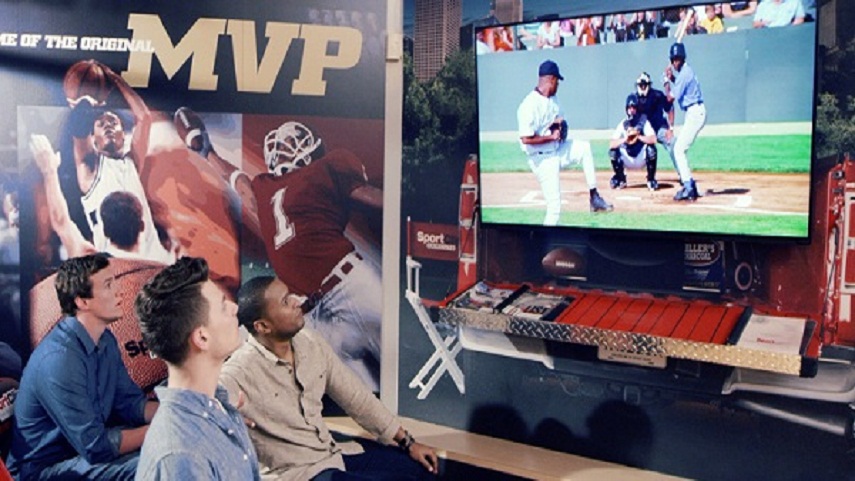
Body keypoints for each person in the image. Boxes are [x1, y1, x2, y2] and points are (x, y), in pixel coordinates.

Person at [220, 275, 439, 480]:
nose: (296, 302)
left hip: (331, 456)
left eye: (291, 295)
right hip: (297, 474)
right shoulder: (238, 371)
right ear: (262, 326)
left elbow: (357, 398)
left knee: (419, 471)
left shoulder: (310, 342)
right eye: (286, 302)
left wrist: (408, 443)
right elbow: (205, 406)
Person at [250, 120, 384, 391]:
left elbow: (370, 196)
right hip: (311, 312)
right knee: (356, 394)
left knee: (396, 365)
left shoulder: (325, 166)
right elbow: (239, 182)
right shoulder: (264, 185)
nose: (282, 146)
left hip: (349, 285)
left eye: (292, 140)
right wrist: (205, 149)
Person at [6, 253, 158, 480]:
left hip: (81, 453)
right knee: (155, 462)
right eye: (108, 285)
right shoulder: (59, 359)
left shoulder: (105, 339)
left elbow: (130, 404)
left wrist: (175, 413)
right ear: (82, 302)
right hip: (42, 471)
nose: (119, 291)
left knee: (171, 444)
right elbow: (96, 447)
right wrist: (159, 430)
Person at [134, 257, 260, 480]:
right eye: (223, 306)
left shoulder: (219, 406)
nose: (235, 307)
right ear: (202, 338)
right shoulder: (181, 455)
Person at [61, 64, 176, 265]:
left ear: (124, 135)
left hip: (155, 262)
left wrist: (115, 78)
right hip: (116, 265)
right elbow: (79, 127)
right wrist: (87, 100)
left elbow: (144, 117)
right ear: (93, 140)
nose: (108, 125)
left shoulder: (132, 162)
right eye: (101, 124)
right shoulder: (89, 168)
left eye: (113, 123)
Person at [30, 133, 156, 260]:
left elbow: (61, 222)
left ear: (105, 231)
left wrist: (49, 172)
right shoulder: (161, 265)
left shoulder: (92, 261)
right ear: (142, 225)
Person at [517, 59, 613, 225]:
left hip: (556, 150)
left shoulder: (554, 100)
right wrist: (551, 137)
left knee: (584, 148)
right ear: (551, 79)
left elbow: (558, 122)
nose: (558, 85)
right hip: (541, 159)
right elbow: (526, 139)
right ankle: (545, 239)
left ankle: (594, 197)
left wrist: (560, 126)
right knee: (554, 208)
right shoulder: (528, 105)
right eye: (557, 81)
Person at [663, 42, 705, 201]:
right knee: (679, 149)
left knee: (678, 150)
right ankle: (689, 184)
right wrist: (671, 78)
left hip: (695, 112)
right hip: (694, 112)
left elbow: (670, 99)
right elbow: (681, 86)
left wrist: (666, 83)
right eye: (674, 59)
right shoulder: (685, 72)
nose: (675, 62)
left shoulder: (685, 74)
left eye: (677, 59)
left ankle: (688, 186)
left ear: (682, 58)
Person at [608, 94, 659, 191]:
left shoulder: (643, 122)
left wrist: (638, 137)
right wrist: (626, 139)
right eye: (629, 108)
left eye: (634, 107)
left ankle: (651, 179)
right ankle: (620, 178)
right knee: (613, 152)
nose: (631, 110)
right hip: (628, 157)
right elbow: (611, 144)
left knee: (651, 150)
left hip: (640, 157)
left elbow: (653, 139)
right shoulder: (623, 123)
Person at [633, 72, 676, 176]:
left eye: (645, 85)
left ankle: (683, 175)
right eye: (641, 85)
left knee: (673, 144)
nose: (643, 87)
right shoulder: (634, 98)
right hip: (643, 132)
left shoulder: (657, 95)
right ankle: (621, 176)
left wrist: (670, 128)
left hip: (659, 128)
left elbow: (670, 108)